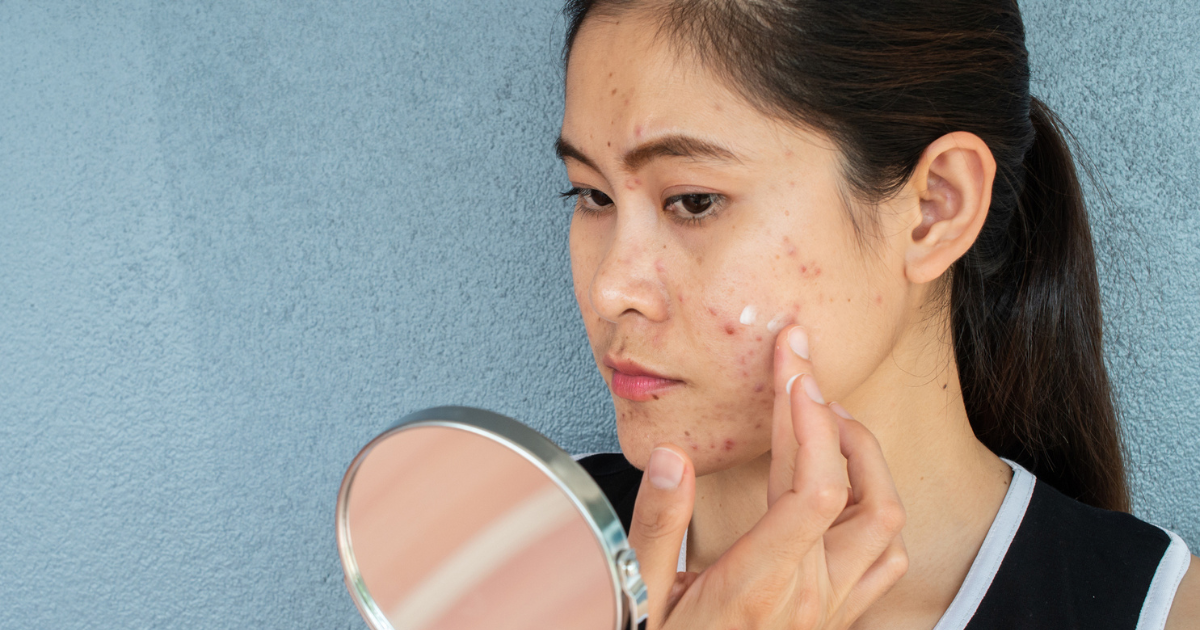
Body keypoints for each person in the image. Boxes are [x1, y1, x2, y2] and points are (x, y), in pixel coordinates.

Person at [554, 1, 1199, 628]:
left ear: (934, 210)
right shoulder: (499, 557)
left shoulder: (1165, 613)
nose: (612, 289)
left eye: (693, 201)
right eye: (593, 194)